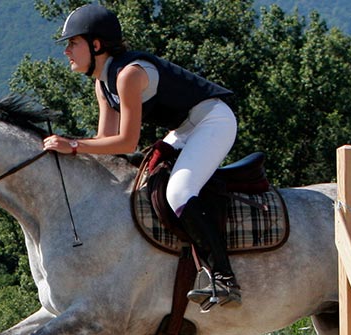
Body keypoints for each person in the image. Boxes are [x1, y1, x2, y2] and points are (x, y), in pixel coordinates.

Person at [42, 3, 240, 311]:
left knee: (179, 192)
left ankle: (224, 278)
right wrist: (72, 150)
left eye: (73, 42)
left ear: (96, 45)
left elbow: (126, 142)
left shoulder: (128, 75)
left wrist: (74, 145)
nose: (67, 51)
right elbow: (103, 141)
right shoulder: (103, 83)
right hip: (185, 127)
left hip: (213, 121)